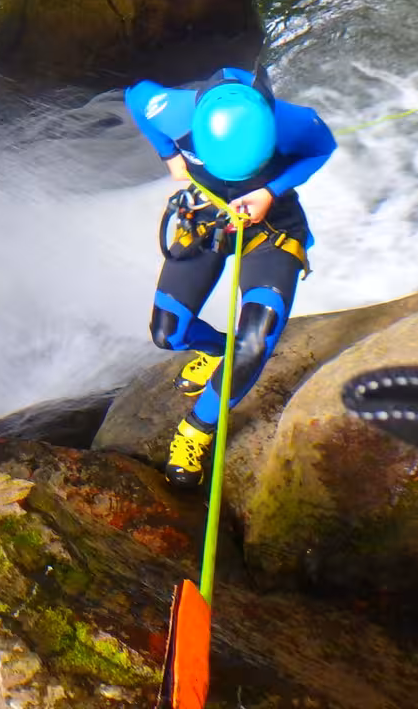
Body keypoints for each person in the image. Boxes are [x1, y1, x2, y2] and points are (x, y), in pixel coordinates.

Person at [125, 66, 337, 487]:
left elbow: (321, 147)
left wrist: (269, 191)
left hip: (271, 230)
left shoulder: (294, 122)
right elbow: (135, 95)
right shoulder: (173, 111)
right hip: (206, 219)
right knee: (169, 333)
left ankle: (197, 429)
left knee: (255, 342)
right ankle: (221, 351)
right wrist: (169, 156)